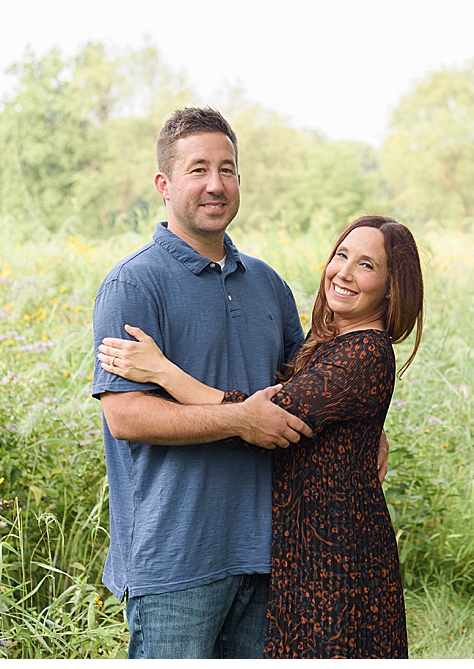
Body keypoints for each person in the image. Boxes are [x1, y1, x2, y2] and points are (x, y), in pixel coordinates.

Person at [98, 215, 424, 659]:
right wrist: (364, 425)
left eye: (367, 265)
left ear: (392, 288)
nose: (344, 272)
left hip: (332, 558)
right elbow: (289, 392)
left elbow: (267, 417)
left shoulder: (355, 345)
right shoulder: (133, 283)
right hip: (286, 554)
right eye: (341, 255)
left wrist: (163, 372)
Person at [93, 106, 344, 660]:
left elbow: (308, 391)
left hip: (268, 550)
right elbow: (126, 416)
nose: (215, 184)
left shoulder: (267, 283)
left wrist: (366, 430)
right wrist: (239, 419)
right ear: (164, 184)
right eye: (198, 169)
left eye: (227, 169)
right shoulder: (133, 285)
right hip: (175, 561)